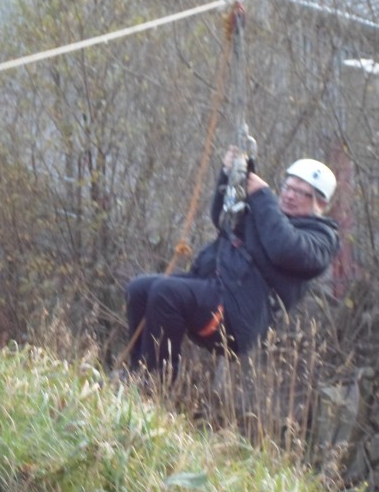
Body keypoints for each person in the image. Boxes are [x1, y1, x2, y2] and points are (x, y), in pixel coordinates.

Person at [125, 145, 340, 380]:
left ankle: (155, 384)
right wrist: (228, 173)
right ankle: (140, 374)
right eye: (287, 187)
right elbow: (223, 217)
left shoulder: (322, 239)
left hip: (236, 316)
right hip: (214, 289)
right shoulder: (268, 215)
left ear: (320, 203)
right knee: (140, 289)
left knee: (167, 292)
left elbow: (283, 248)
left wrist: (262, 195)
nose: (289, 195)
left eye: (300, 192)